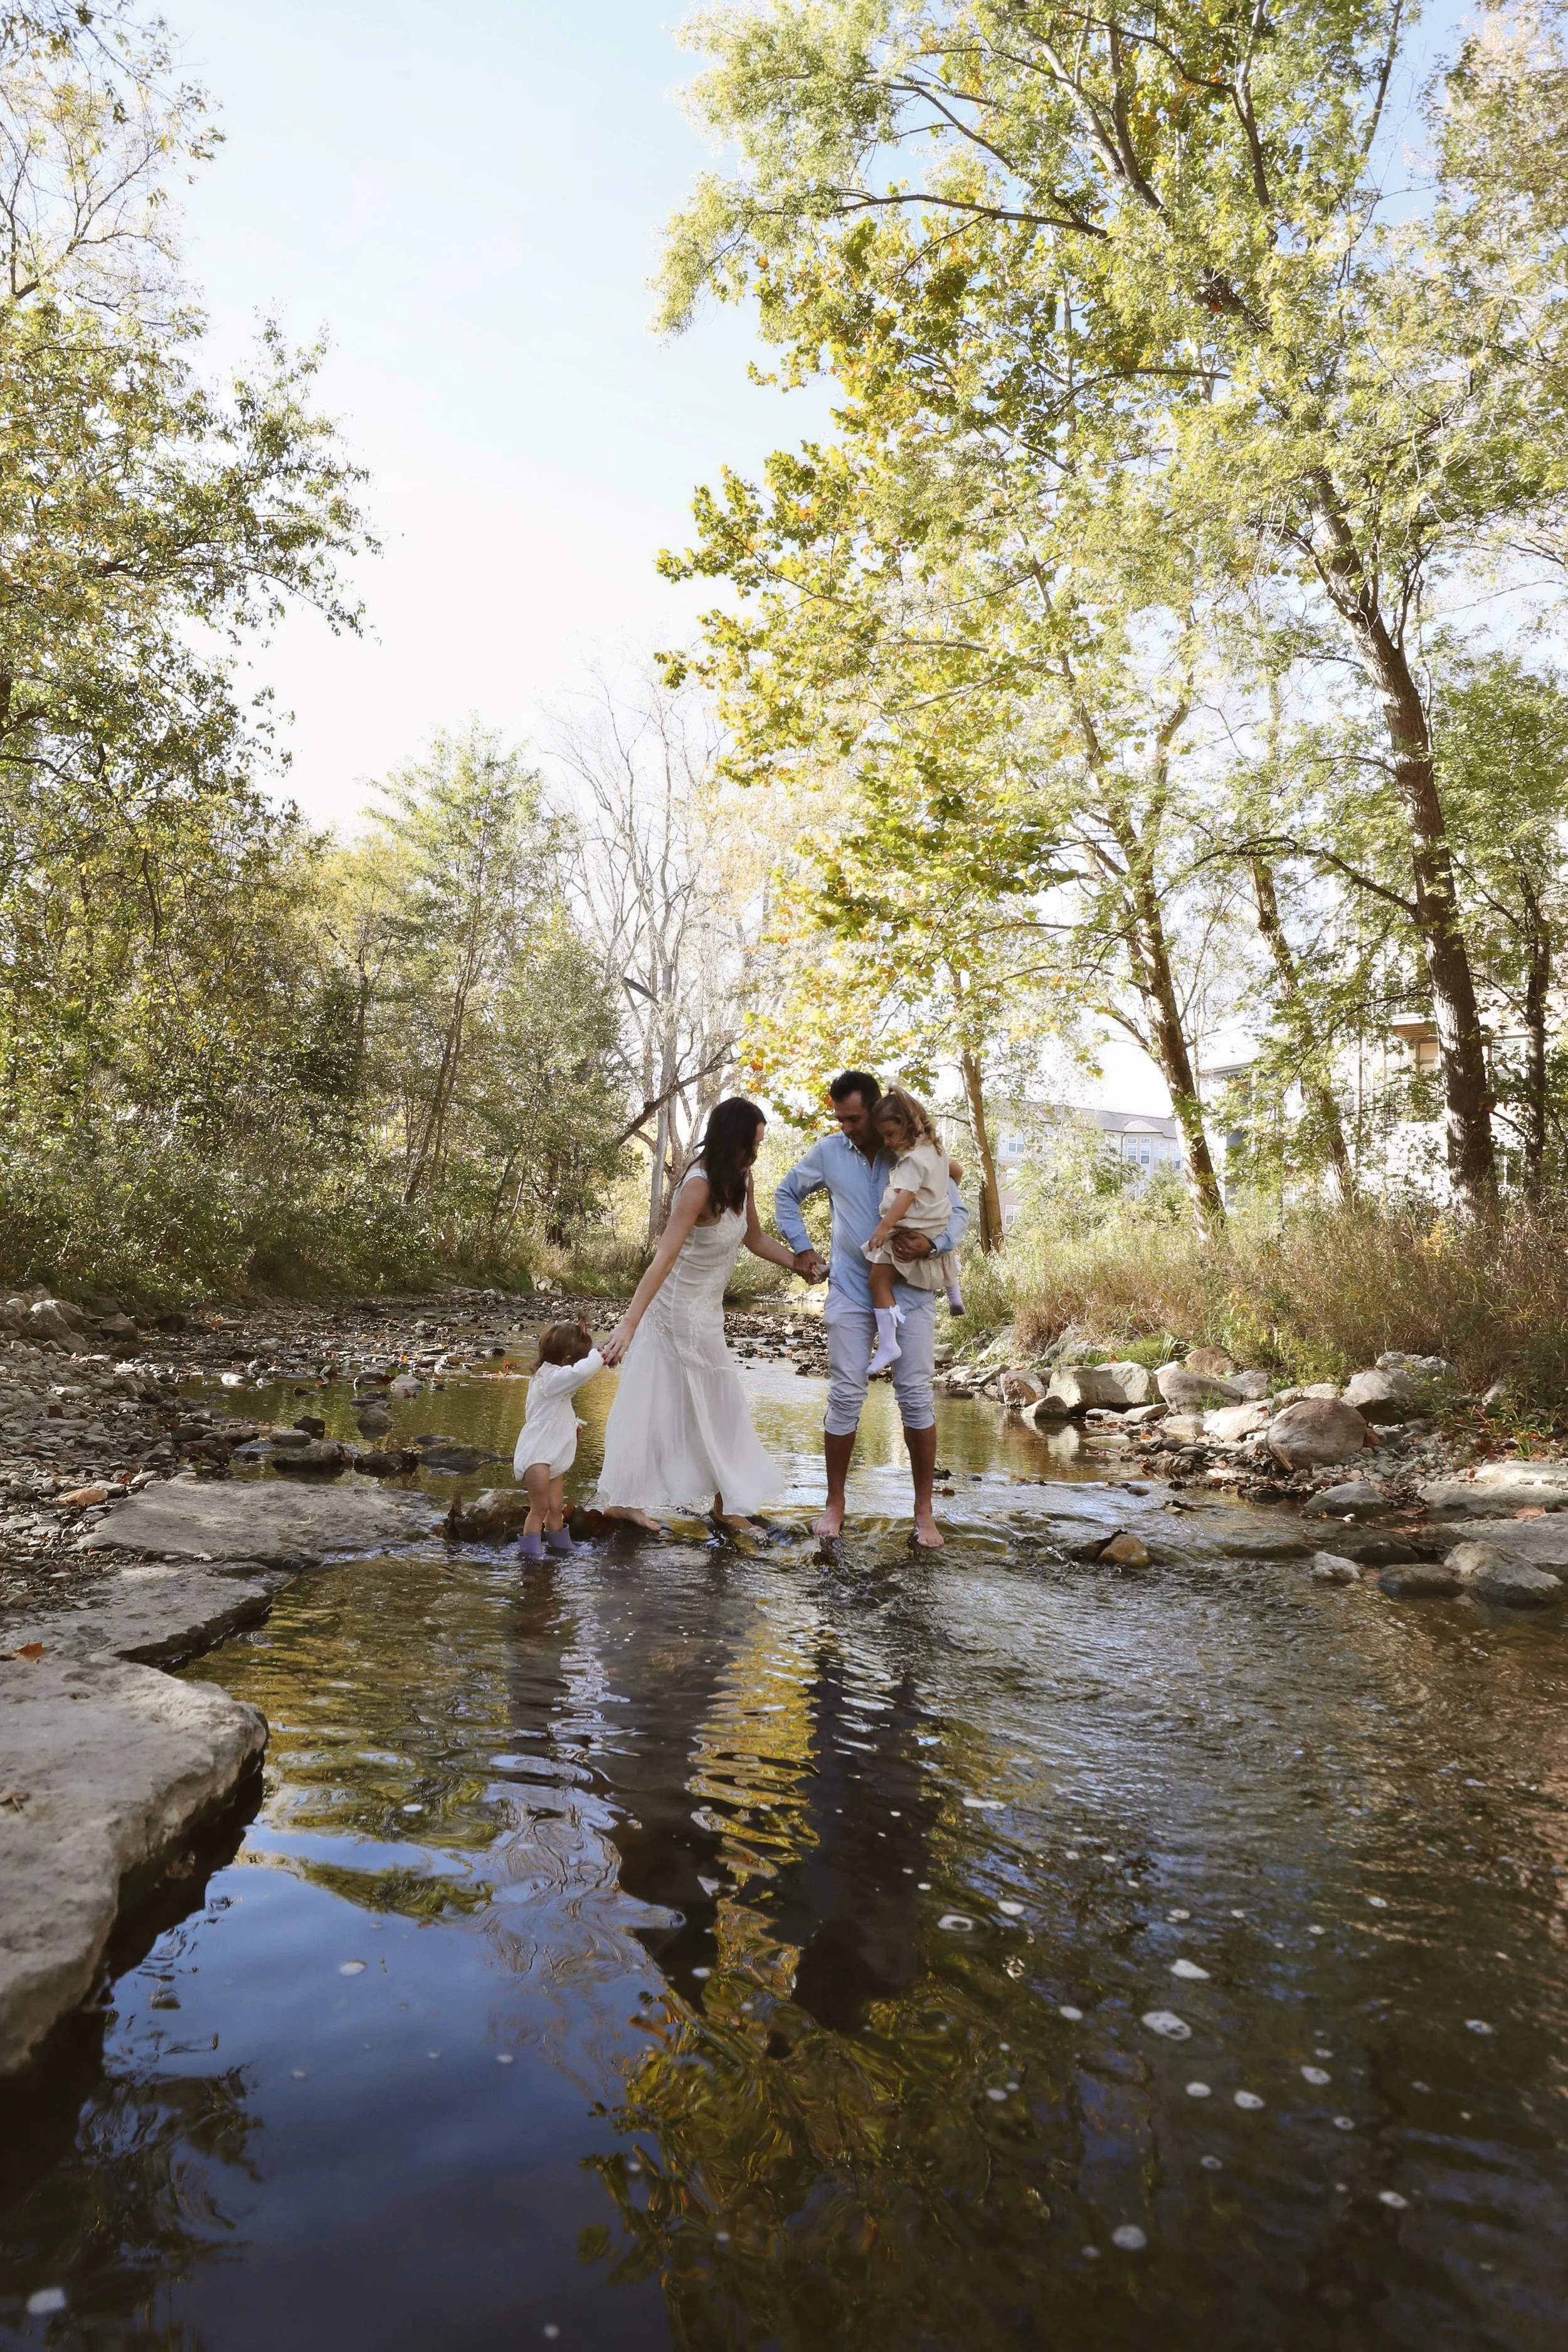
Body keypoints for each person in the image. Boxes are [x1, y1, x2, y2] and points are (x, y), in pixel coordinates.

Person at [775, 1069, 970, 1550]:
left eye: (854, 1118)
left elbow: (959, 1210)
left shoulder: (909, 1151)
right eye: (840, 1119)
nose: (847, 1127)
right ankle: (835, 1504)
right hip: (850, 1291)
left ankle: (924, 1513)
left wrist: (933, 1241)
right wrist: (802, 1249)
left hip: (914, 1289)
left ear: (879, 1111)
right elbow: (785, 1195)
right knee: (844, 1397)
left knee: (916, 1397)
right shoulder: (827, 1152)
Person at [596, 1096, 800, 1529]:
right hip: (675, 1313)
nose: (756, 1154)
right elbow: (664, 1257)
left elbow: (754, 1239)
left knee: (698, 1404)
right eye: (752, 1144)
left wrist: (799, 1263)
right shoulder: (698, 1186)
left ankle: (720, 1505)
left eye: (759, 1145)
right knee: (684, 1404)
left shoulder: (741, 1180)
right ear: (731, 1141)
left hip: (706, 1313)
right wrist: (629, 1324)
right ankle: (642, 1502)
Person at [862, 1088, 965, 1371]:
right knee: (944, 1249)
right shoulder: (935, 1149)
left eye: (890, 1134)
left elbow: (905, 1198)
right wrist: (938, 1194)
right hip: (936, 1224)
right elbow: (956, 1171)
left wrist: (884, 1227)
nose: (887, 1143)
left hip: (910, 1227)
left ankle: (888, 1343)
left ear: (907, 1125)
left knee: (877, 1281)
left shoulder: (911, 1161)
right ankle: (955, 1294)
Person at [513, 1318, 604, 1562]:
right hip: (537, 1457)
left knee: (556, 1508)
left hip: (550, 1455)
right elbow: (580, 1373)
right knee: (539, 1509)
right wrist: (600, 1355)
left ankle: (560, 1549)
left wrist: (571, 1428)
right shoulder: (550, 1380)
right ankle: (531, 1557)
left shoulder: (551, 1382)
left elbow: (549, 1415)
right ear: (566, 1362)